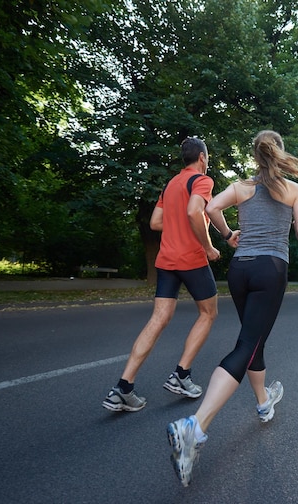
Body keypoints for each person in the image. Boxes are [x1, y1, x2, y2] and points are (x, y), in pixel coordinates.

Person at [166, 130, 298, 486]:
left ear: (255, 154)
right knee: (247, 344)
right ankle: (194, 427)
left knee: (252, 340)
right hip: (270, 270)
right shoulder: (294, 190)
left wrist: (229, 234)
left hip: (240, 270)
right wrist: (293, 217)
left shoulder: (241, 187)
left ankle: (264, 402)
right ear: (279, 153)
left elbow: (210, 208)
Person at [102, 137, 221, 412]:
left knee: (158, 319)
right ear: (202, 158)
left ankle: (123, 387)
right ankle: (182, 375)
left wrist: (179, 221)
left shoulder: (171, 184)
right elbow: (194, 211)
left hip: (166, 260)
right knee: (208, 313)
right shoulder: (202, 180)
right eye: (208, 156)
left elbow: (156, 222)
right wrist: (208, 246)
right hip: (191, 258)